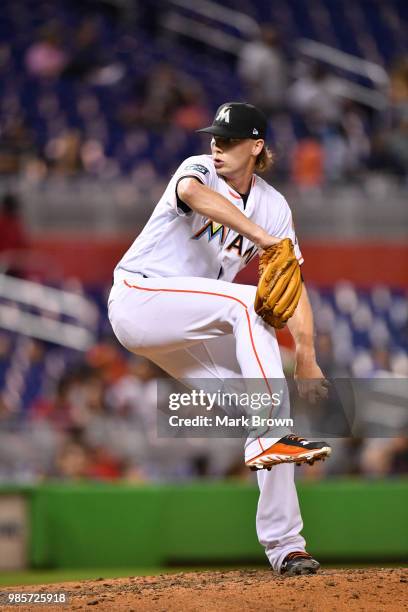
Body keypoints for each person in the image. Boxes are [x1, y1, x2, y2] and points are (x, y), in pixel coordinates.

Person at [108, 102, 331, 575]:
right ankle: (269, 436)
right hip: (138, 297)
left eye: (229, 139)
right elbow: (192, 193)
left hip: (189, 325)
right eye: (215, 135)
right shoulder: (198, 171)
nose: (217, 144)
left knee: (270, 407)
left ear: (256, 147)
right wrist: (263, 240)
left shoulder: (274, 206)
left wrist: (307, 357)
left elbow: (293, 282)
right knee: (246, 304)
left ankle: (286, 547)